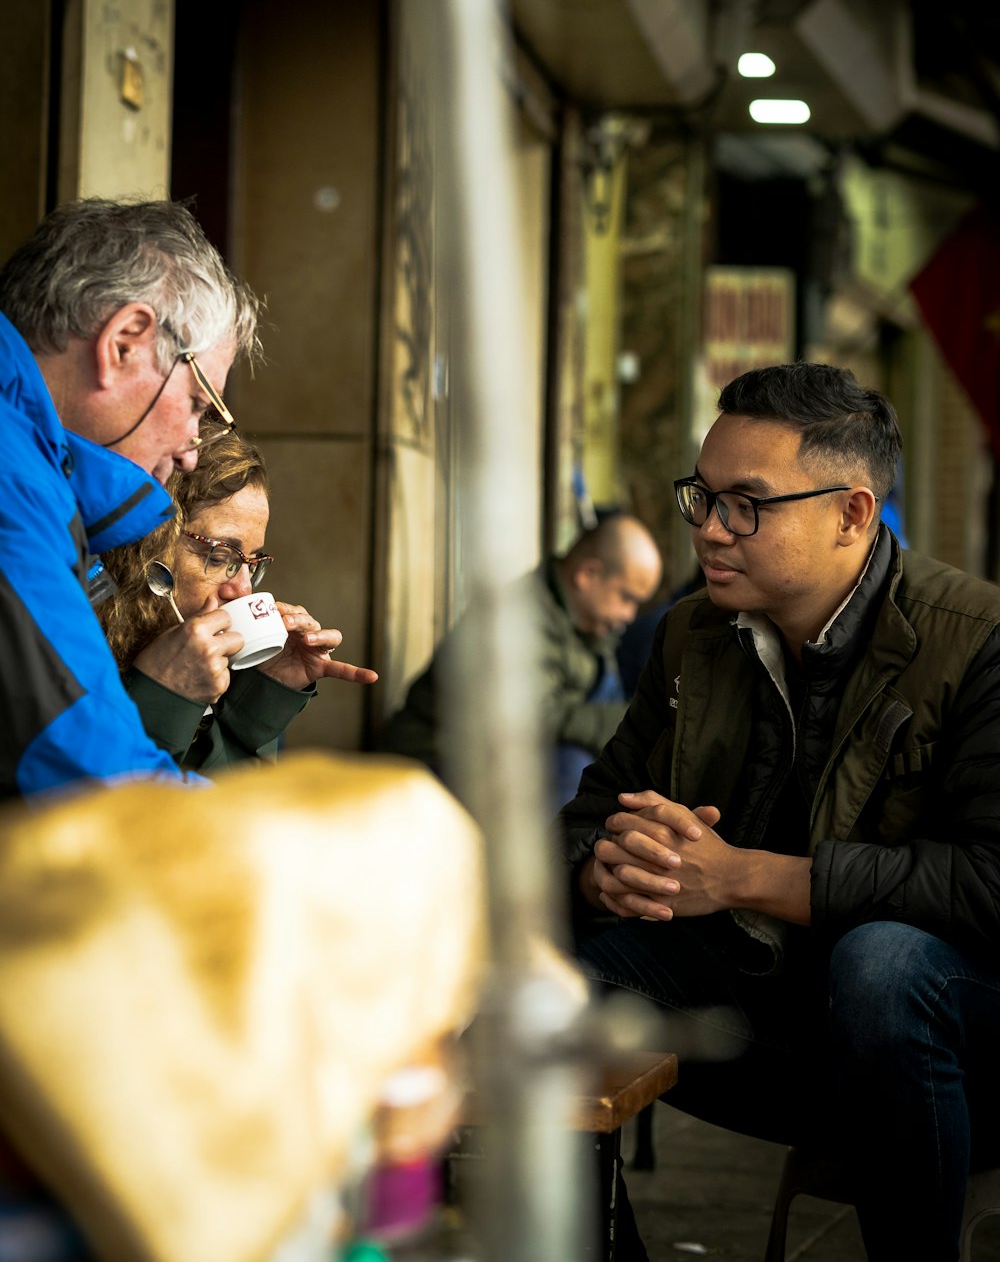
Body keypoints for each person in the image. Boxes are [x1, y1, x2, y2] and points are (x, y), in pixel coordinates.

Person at [558, 362, 1000, 1262]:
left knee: (884, 965)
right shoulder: (692, 636)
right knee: (544, 1005)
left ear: (852, 513)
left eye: (748, 505)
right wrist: (603, 868)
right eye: (703, 497)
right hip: (774, 1021)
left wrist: (743, 878)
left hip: (951, 1045)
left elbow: (990, 881)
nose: (711, 531)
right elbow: (592, 809)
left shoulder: (976, 641)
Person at [0, 196, 261, 797]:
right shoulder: (15, 484)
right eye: (198, 404)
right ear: (124, 342)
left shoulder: (31, 466)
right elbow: (85, 768)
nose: (193, 448)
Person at [99, 429, 378, 775]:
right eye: (219, 557)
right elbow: (102, 812)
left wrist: (260, 701)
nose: (242, 590)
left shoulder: (209, 669)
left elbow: (219, 809)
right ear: (148, 544)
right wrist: (163, 697)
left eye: (251, 562)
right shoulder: (73, 644)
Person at [382, 513, 662, 806]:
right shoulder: (518, 618)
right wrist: (622, 721)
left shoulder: (587, 625)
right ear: (587, 574)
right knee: (572, 766)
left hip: (486, 761)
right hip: (435, 761)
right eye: (626, 598)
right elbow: (532, 720)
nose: (629, 615)